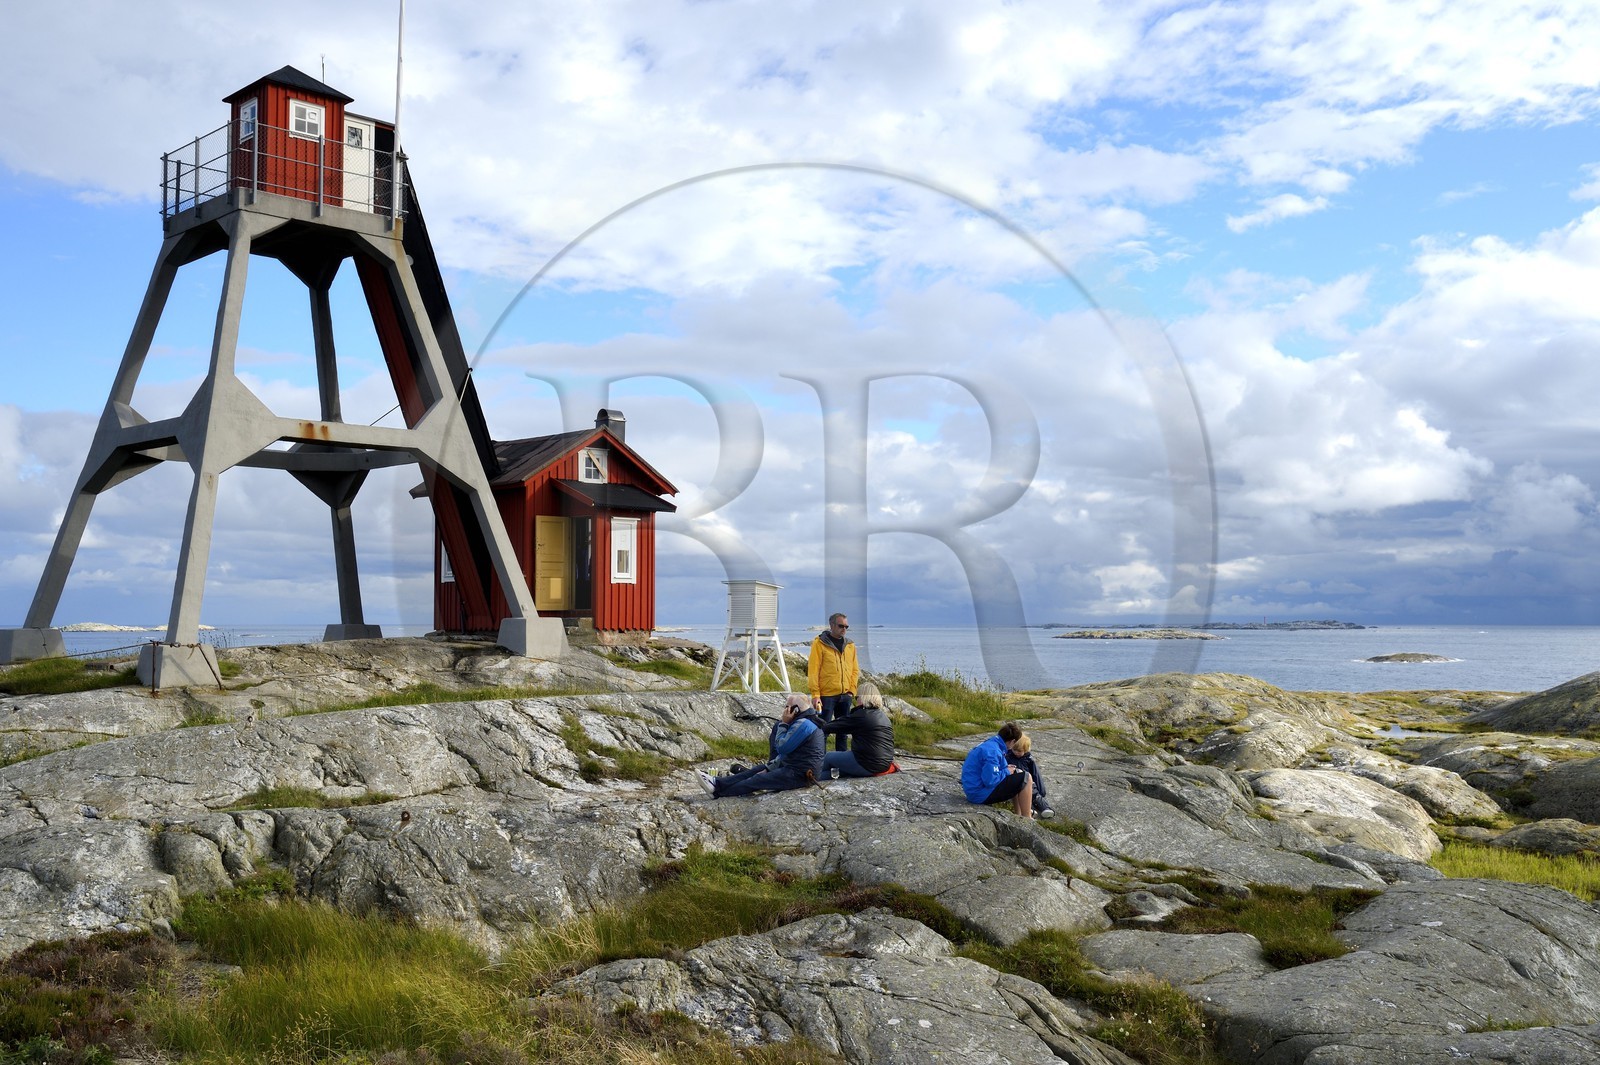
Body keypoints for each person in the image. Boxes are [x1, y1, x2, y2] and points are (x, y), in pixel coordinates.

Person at [697, 694, 823, 798]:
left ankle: (717, 792)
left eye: (786, 707)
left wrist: (784, 723)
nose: (784, 710)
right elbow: (785, 754)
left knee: (757, 780)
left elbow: (781, 747)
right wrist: (769, 768)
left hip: (801, 775)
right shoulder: (804, 721)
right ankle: (717, 783)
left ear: (794, 709)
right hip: (794, 768)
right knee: (757, 770)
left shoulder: (804, 724)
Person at [813, 680, 897, 778]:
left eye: (857, 697)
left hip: (867, 763)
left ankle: (810, 777)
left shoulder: (862, 715)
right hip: (884, 764)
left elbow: (829, 727)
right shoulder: (883, 716)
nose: (856, 701)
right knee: (840, 771)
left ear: (863, 698)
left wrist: (813, 718)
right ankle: (818, 777)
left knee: (828, 757)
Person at [807, 612, 859, 752]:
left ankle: (840, 762)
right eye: (841, 625)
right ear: (832, 625)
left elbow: (855, 669)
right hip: (826, 696)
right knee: (822, 731)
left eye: (846, 626)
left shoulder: (850, 645)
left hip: (845, 696)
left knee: (843, 733)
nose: (844, 629)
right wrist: (816, 694)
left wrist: (851, 691)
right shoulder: (820, 643)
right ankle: (819, 763)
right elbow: (813, 670)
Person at [960, 721, 1034, 818]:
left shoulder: (992, 743)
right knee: (1027, 778)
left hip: (974, 790)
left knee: (1017, 775)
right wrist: (1007, 771)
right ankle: (1027, 817)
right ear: (1012, 741)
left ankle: (1019, 815)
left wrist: (1008, 770)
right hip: (979, 794)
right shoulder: (993, 752)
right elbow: (990, 781)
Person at [1006, 732, 1053, 819]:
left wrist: (1041, 790)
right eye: (1014, 749)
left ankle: (1046, 808)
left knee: (1035, 794)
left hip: (1029, 782)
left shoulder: (1029, 760)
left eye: (1019, 751)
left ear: (1026, 750)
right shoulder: (1008, 756)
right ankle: (1030, 810)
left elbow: (1036, 774)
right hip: (1015, 781)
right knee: (1022, 798)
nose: (1016, 752)